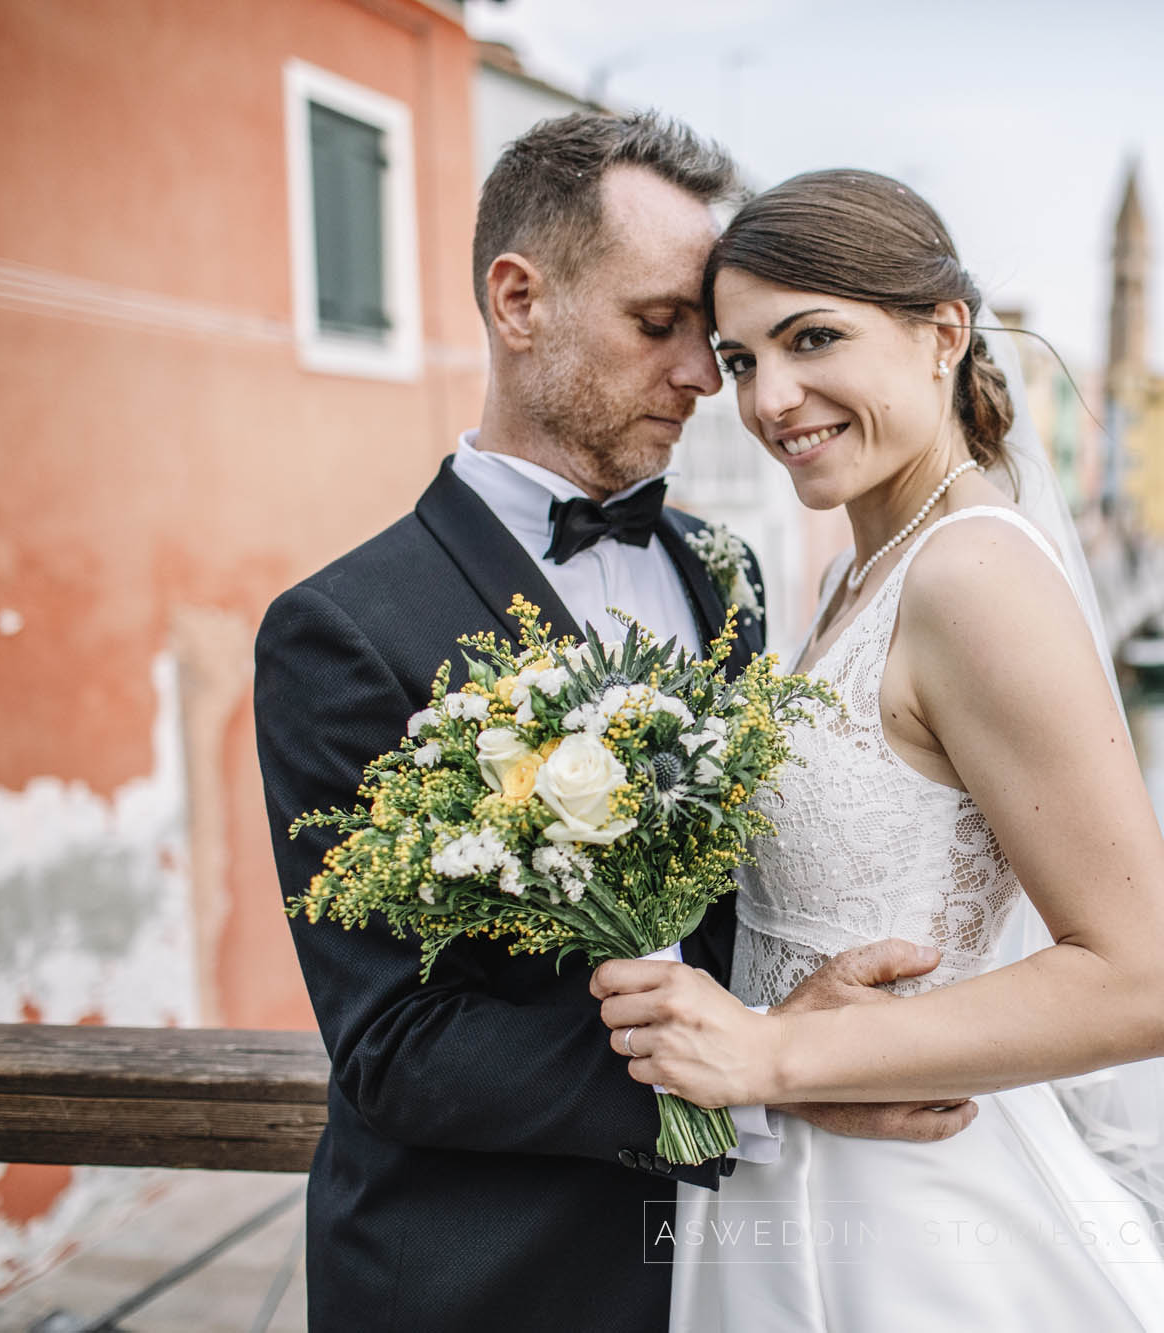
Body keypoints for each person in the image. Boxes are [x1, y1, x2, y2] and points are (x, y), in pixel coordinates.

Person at [254, 116, 971, 1332]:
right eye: (659, 326)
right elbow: (394, 1041)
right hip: (489, 1277)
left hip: (754, 1257)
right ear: (518, 299)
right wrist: (756, 1076)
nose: (706, 375)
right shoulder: (342, 627)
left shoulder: (726, 570)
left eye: (712, 337)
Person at [592, 170, 1164, 1332]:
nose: (771, 398)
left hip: (926, 1228)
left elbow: (1142, 984)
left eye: (811, 338)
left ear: (942, 333)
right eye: (739, 361)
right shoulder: (845, 576)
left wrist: (771, 1060)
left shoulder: (972, 575)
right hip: (794, 1183)